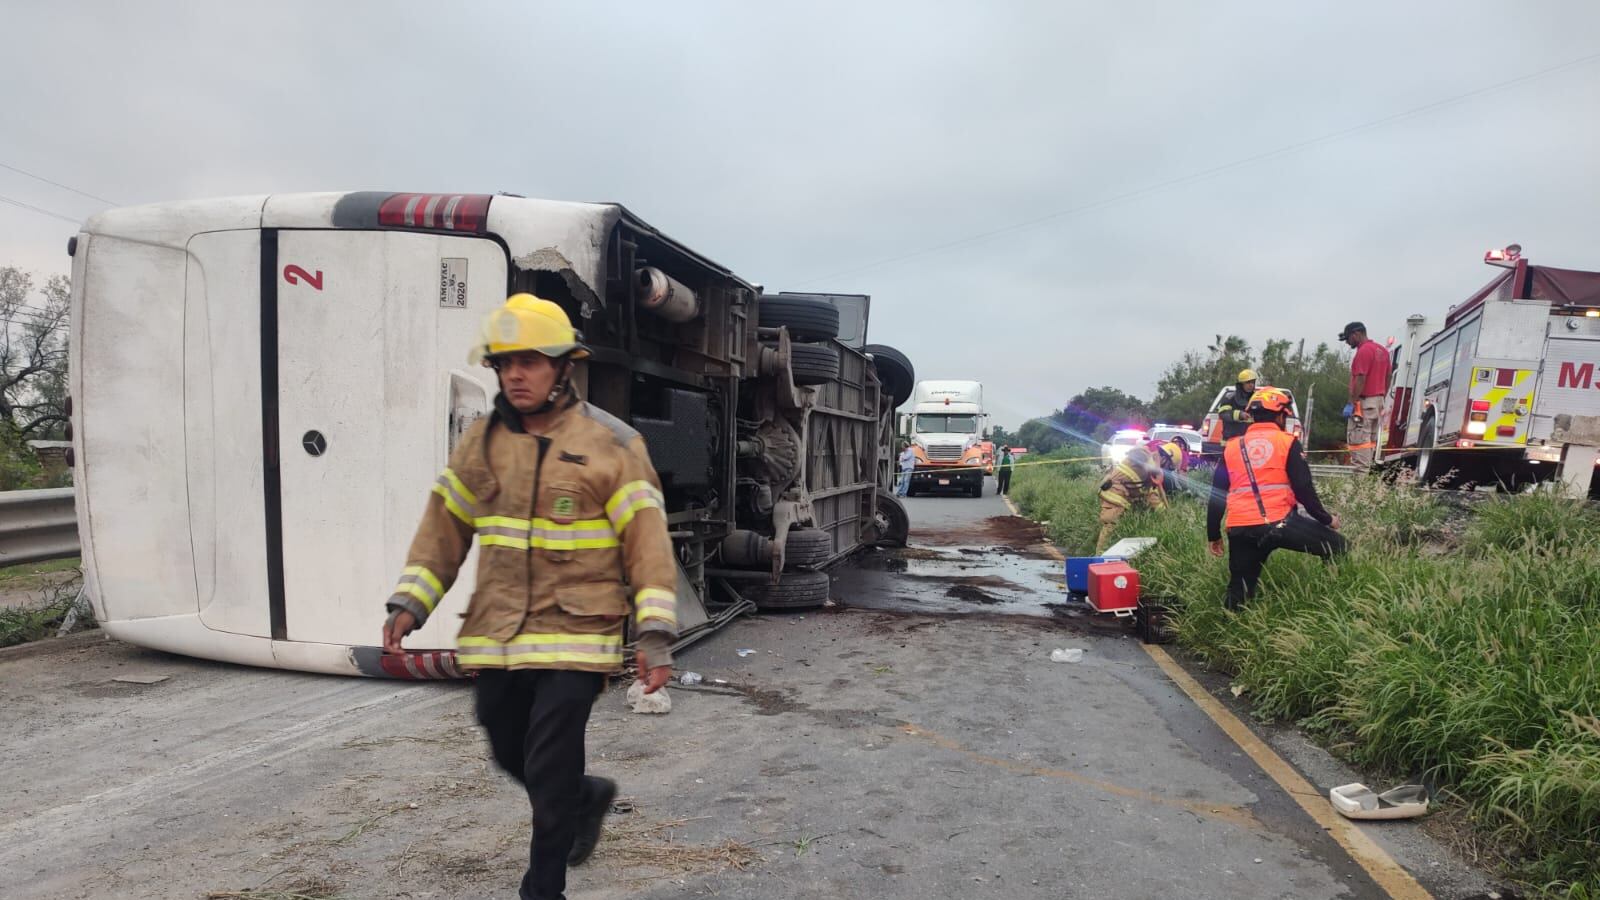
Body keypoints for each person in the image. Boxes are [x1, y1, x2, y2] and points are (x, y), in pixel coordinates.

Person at [381, 293, 678, 900]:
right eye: (505, 362)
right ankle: (585, 797)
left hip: (578, 631)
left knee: (547, 760)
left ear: (563, 367)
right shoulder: (482, 444)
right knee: (502, 739)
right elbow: (445, 527)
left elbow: (647, 543)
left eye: (531, 361)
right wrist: (410, 602)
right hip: (497, 631)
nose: (516, 373)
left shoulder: (612, 447)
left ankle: (543, 887)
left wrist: (655, 633)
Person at [1206, 387, 1346, 611]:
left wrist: (1213, 534)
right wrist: (1327, 520)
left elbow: (1216, 494)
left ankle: (1228, 632)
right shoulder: (1287, 442)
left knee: (1239, 592)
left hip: (1241, 528)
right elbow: (1303, 489)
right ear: (1281, 416)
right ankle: (1332, 603)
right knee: (1338, 546)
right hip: (1281, 523)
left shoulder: (1232, 447)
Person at [1340, 321, 1391, 472]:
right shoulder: (1382, 351)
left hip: (1364, 403)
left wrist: (1351, 402)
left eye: (1348, 339)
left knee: (1359, 445)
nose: (1348, 343)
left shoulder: (1364, 351)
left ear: (1356, 334)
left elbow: (1360, 378)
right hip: (1378, 403)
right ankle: (1366, 485)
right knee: (1369, 445)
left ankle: (1359, 489)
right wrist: (1382, 395)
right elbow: (1389, 377)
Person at [1096, 445, 1166, 553]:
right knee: (1110, 525)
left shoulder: (1142, 460)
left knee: (1106, 526)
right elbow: (1152, 497)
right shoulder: (1148, 466)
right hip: (1116, 496)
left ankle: (1088, 552)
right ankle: (1099, 560)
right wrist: (1165, 514)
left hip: (1114, 492)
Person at [1215, 369, 1259, 443]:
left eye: (1252, 382)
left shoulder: (1256, 398)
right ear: (1241, 384)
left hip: (1249, 442)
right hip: (1231, 442)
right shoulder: (1230, 398)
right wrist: (1239, 414)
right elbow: (1223, 413)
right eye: (1248, 382)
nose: (1251, 385)